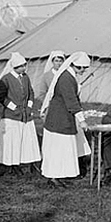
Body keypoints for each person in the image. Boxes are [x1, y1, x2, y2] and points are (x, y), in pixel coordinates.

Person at [40, 51, 91, 188]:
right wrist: (82, 120)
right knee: (57, 149)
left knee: (63, 149)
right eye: (80, 68)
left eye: (84, 68)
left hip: (64, 117)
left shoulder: (70, 76)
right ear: (73, 65)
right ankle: (53, 176)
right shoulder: (66, 78)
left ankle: (59, 174)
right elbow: (71, 101)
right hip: (59, 118)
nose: (83, 71)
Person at [0, 52, 41, 175]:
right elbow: (1, 97)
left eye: (24, 65)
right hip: (12, 115)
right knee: (13, 140)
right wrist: (13, 107)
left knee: (26, 139)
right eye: (21, 66)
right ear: (14, 67)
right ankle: (12, 164)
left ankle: (27, 162)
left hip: (25, 114)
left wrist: (29, 105)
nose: (23, 68)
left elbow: (30, 92)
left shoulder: (25, 77)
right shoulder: (6, 79)